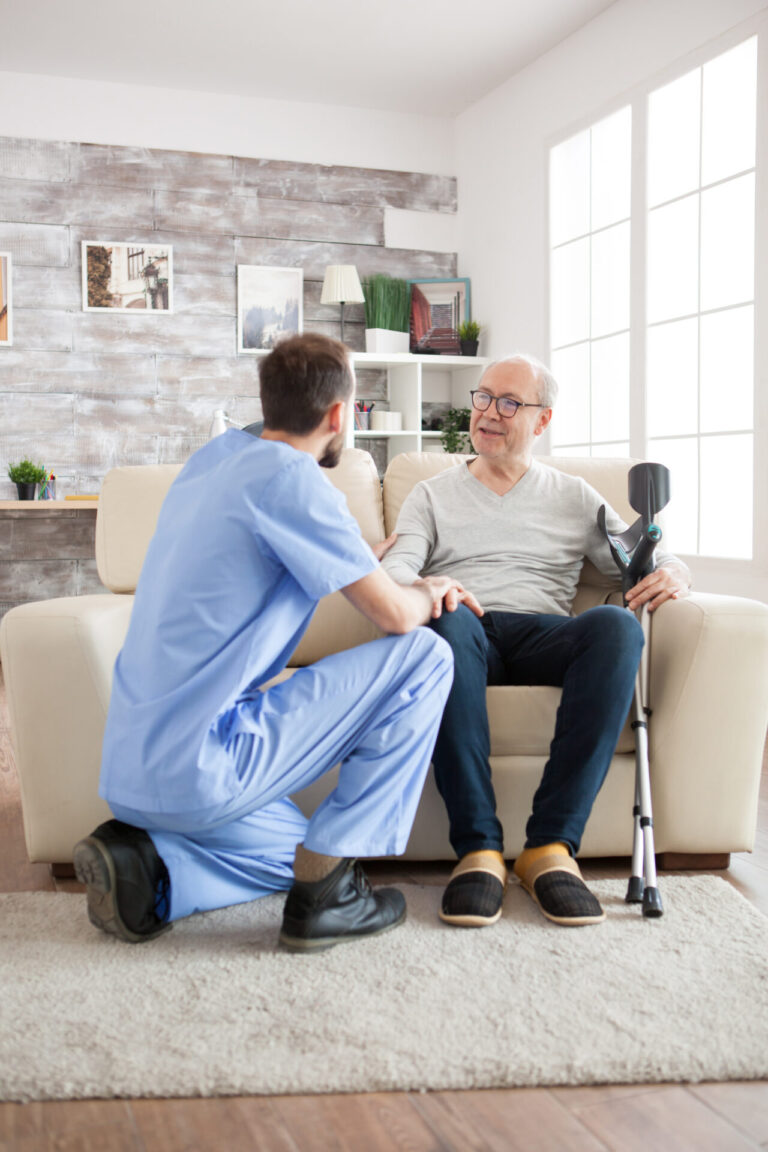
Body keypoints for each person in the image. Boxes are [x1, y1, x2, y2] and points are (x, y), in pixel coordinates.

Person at [74, 333, 482, 952]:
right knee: (426, 656)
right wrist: (432, 590)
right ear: (340, 414)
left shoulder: (210, 463)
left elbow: (257, 556)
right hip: (203, 764)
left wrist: (359, 559)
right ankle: (330, 900)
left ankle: (151, 866)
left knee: (294, 852)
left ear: (268, 402)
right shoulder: (294, 481)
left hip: (131, 768)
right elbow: (399, 617)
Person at [381, 353, 691, 929]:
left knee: (617, 625)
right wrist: (424, 583)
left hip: (545, 633)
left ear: (542, 421)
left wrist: (674, 572)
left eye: (509, 403)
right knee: (446, 621)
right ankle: (477, 850)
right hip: (466, 625)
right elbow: (397, 569)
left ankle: (549, 848)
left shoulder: (573, 495)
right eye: (482, 398)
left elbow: (640, 554)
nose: (488, 414)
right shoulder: (430, 494)